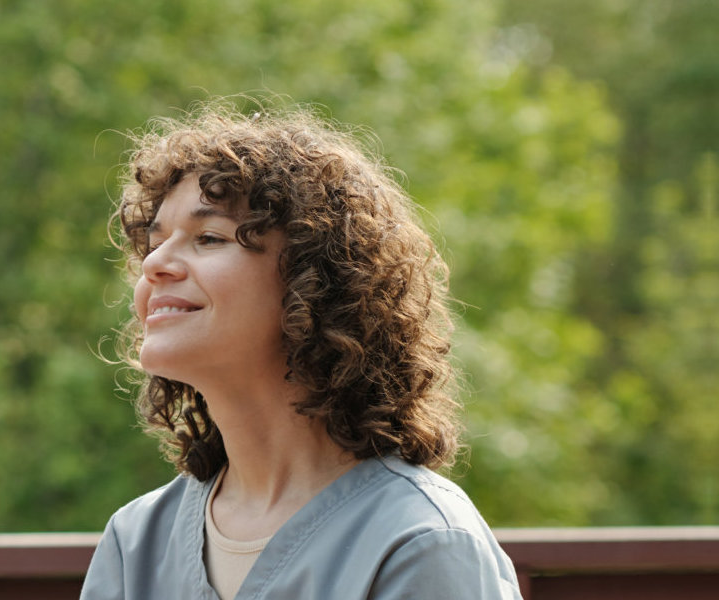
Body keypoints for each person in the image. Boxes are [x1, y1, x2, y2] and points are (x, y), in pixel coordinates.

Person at [78, 105, 520, 599]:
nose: (154, 264)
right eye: (154, 243)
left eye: (209, 238)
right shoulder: (135, 542)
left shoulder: (422, 540)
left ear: (316, 282)